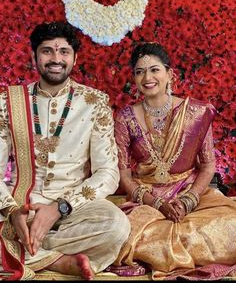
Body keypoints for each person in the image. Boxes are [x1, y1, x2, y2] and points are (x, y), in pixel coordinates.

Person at [0, 21, 131, 280]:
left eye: (63, 52)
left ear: (74, 58)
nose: (55, 58)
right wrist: (11, 211)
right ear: (34, 56)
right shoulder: (8, 101)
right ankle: (60, 261)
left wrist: (60, 208)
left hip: (75, 207)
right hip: (21, 206)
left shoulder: (95, 102)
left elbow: (107, 173)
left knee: (116, 226)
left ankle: (27, 251)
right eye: (47, 51)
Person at [110, 42, 236, 280]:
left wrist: (188, 200)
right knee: (123, 237)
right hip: (146, 200)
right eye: (139, 71)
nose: (147, 77)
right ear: (134, 79)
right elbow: (124, 174)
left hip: (190, 195)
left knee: (232, 225)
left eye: (154, 69)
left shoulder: (196, 113)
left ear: (170, 74)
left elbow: (208, 165)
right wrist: (156, 203)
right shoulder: (124, 118)